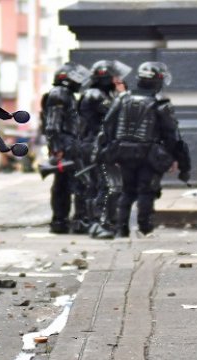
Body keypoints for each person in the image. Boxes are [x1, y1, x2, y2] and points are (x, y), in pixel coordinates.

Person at [100, 61, 191, 237]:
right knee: (146, 191)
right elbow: (172, 136)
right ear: (158, 81)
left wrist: (110, 150)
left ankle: (121, 228)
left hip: (122, 152)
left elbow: (108, 126)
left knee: (127, 191)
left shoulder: (122, 98)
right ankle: (145, 228)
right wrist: (180, 162)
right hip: (148, 154)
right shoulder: (161, 104)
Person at [79, 60, 131, 239]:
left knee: (101, 185)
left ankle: (100, 223)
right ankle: (98, 223)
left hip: (99, 144)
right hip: (96, 145)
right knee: (107, 185)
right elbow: (116, 114)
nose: (118, 80)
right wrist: (123, 95)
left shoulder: (101, 93)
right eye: (115, 77)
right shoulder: (95, 95)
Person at [41, 62, 90, 234]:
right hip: (66, 145)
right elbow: (52, 125)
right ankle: (72, 221)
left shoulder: (65, 94)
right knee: (77, 184)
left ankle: (62, 222)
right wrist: (57, 149)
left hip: (69, 143)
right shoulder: (60, 93)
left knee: (66, 184)